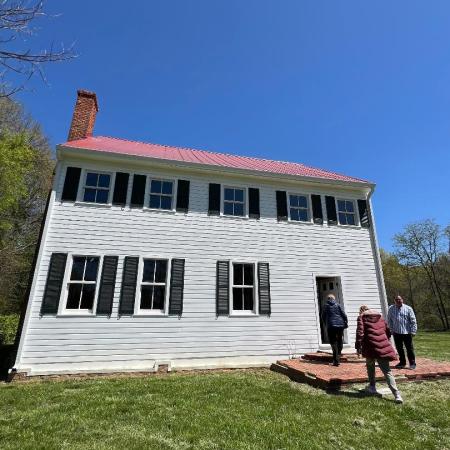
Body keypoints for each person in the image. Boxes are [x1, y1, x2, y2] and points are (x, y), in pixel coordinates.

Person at [355, 305, 403, 404]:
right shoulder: (380, 317)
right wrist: (386, 339)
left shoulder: (362, 317)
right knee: (387, 371)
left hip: (370, 347)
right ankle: (396, 394)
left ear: (361, 311)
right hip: (382, 346)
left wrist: (358, 347)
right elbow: (388, 331)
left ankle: (372, 387)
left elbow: (360, 333)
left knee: (370, 367)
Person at [387, 295, 418, 369]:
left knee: (409, 349)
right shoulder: (391, 309)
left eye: (399, 299)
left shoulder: (408, 308)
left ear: (402, 300)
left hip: (407, 332)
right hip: (396, 332)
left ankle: (412, 363)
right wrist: (391, 330)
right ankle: (402, 362)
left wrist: (413, 331)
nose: (398, 301)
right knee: (399, 349)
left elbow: (413, 320)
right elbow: (389, 320)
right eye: (396, 300)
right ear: (394, 301)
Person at [321, 294, 348, 366]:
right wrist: (345, 321)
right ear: (334, 299)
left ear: (328, 299)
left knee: (333, 342)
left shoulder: (326, 306)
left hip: (331, 326)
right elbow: (343, 314)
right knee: (340, 340)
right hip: (340, 325)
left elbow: (323, 316)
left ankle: (336, 360)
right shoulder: (338, 305)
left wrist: (326, 324)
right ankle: (338, 354)